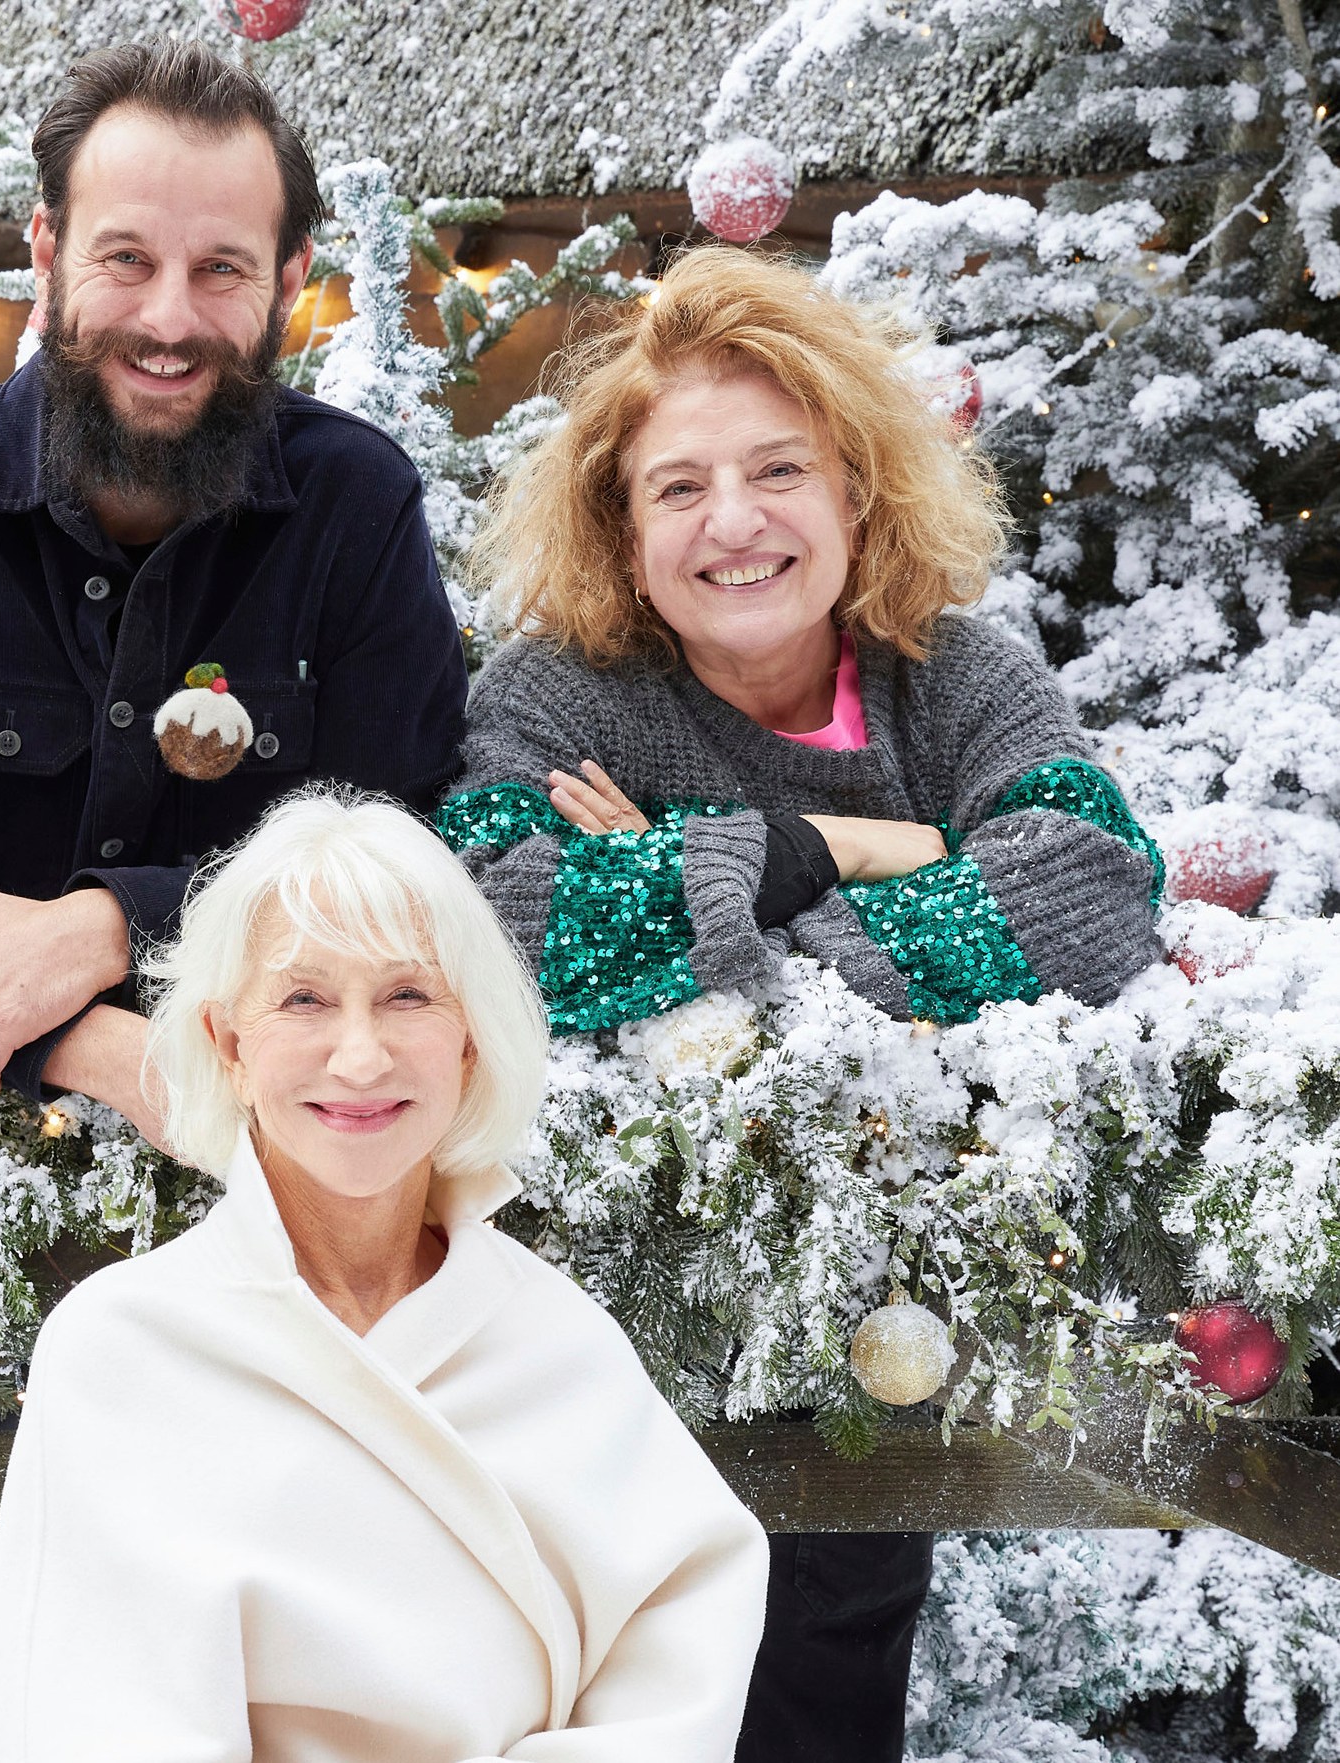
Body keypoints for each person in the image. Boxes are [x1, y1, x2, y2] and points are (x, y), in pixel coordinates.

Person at [0, 42, 467, 1762]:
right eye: (127, 260)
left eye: (220, 269)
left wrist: (110, 918)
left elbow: (407, 842)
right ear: (48, 249)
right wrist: (86, 1042)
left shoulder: (353, 507)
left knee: (288, 1689)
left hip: (290, 1236)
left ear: (287, 280)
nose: (169, 314)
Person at [443, 245, 1162, 1763]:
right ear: (618, 529)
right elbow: (493, 929)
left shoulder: (953, 675)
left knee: (823, 1673)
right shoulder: (555, 695)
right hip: (596, 1332)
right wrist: (834, 846)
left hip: (864, 1326)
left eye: (778, 467)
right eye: (677, 485)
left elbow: (1085, 898)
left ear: (853, 489)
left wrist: (678, 895)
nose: (734, 520)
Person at [0, 789, 771, 1761]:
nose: (358, 1055)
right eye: (303, 998)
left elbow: (677, 1650)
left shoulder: (557, 1339)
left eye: (406, 996)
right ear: (229, 1044)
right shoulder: (120, 1347)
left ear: (467, 1038)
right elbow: (90, 1715)